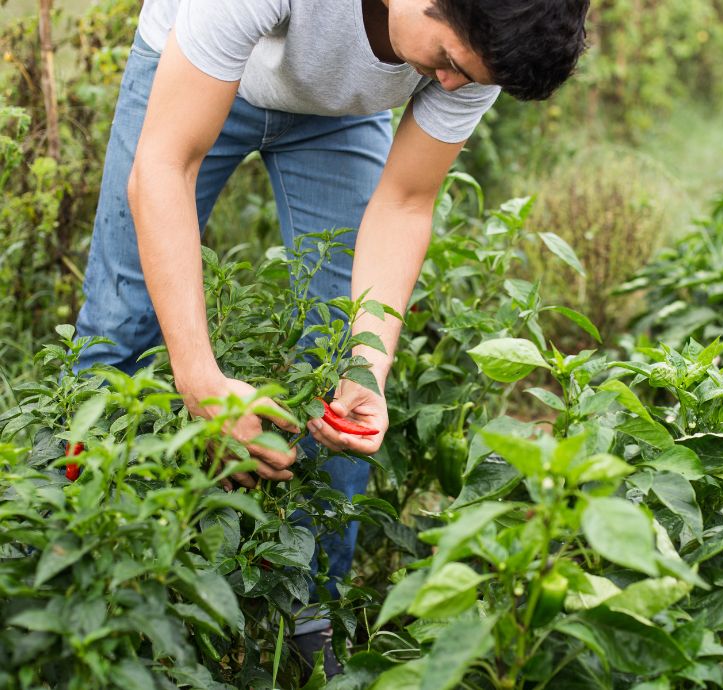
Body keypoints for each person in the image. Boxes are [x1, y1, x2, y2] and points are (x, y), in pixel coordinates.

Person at [74, 0, 589, 675]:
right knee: (120, 335)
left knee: (344, 369)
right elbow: (164, 166)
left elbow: (405, 203)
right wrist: (200, 379)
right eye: (449, 64)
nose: (454, 85)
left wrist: (367, 371)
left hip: (337, 118)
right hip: (190, 62)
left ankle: (314, 624)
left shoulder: (483, 42)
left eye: (471, 76)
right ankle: (78, 575)